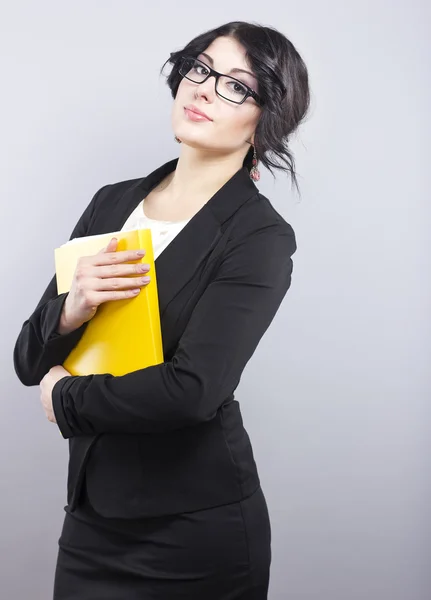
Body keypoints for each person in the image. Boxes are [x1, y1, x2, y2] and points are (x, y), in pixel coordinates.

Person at [13, 20, 310, 600]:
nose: (203, 89)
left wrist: (64, 399)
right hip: (92, 519)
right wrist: (70, 309)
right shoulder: (113, 202)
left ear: (266, 120)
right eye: (200, 69)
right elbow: (29, 357)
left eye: (236, 87)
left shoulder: (258, 236)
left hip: (193, 532)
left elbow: (194, 389)